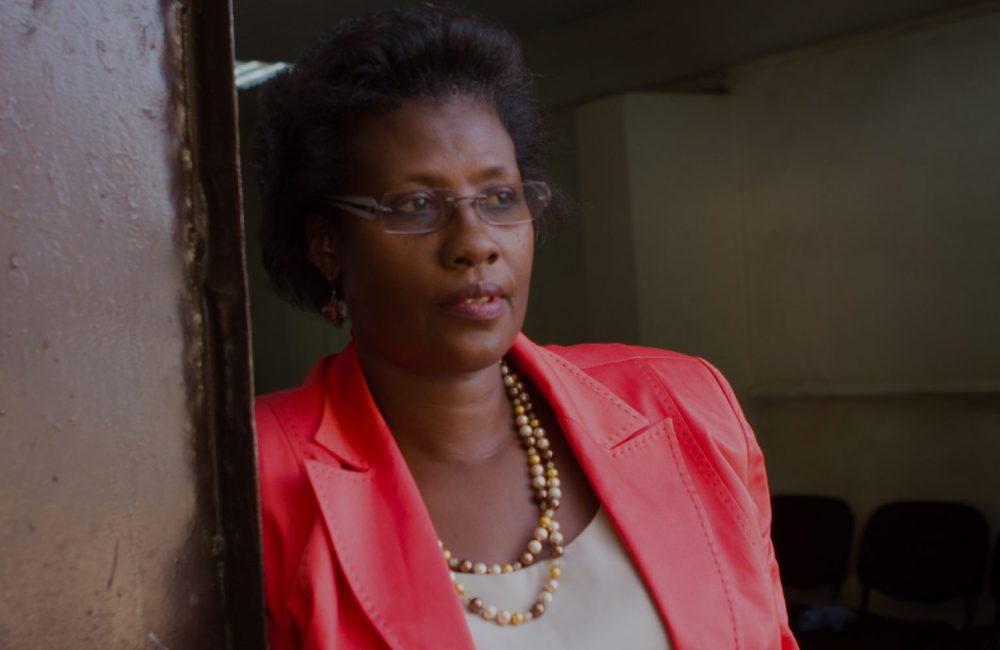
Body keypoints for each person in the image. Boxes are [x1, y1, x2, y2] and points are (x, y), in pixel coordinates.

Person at [253, 6, 797, 649]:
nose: (475, 244)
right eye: (416, 205)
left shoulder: (687, 407)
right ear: (327, 246)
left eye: (499, 197)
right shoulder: (254, 479)